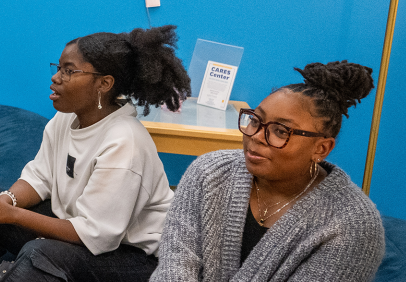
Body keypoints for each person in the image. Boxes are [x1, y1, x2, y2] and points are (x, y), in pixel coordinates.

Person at [0, 26, 191, 282]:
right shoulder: (66, 118)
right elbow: (39, 178)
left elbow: (96, 234)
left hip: (136, 258)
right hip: (79, 230)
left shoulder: (124, 141)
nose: (56, 78)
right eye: (58, 68)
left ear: (104, 84)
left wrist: (12, 214)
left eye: (69, 71)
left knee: (40, 255)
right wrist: (6, 201)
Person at [150, 61, 384, 282]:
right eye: (255, 121)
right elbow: (175, 265)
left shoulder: (353, 225)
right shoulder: (208, 173)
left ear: (321, 148)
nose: (256, 137)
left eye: (281, 131)